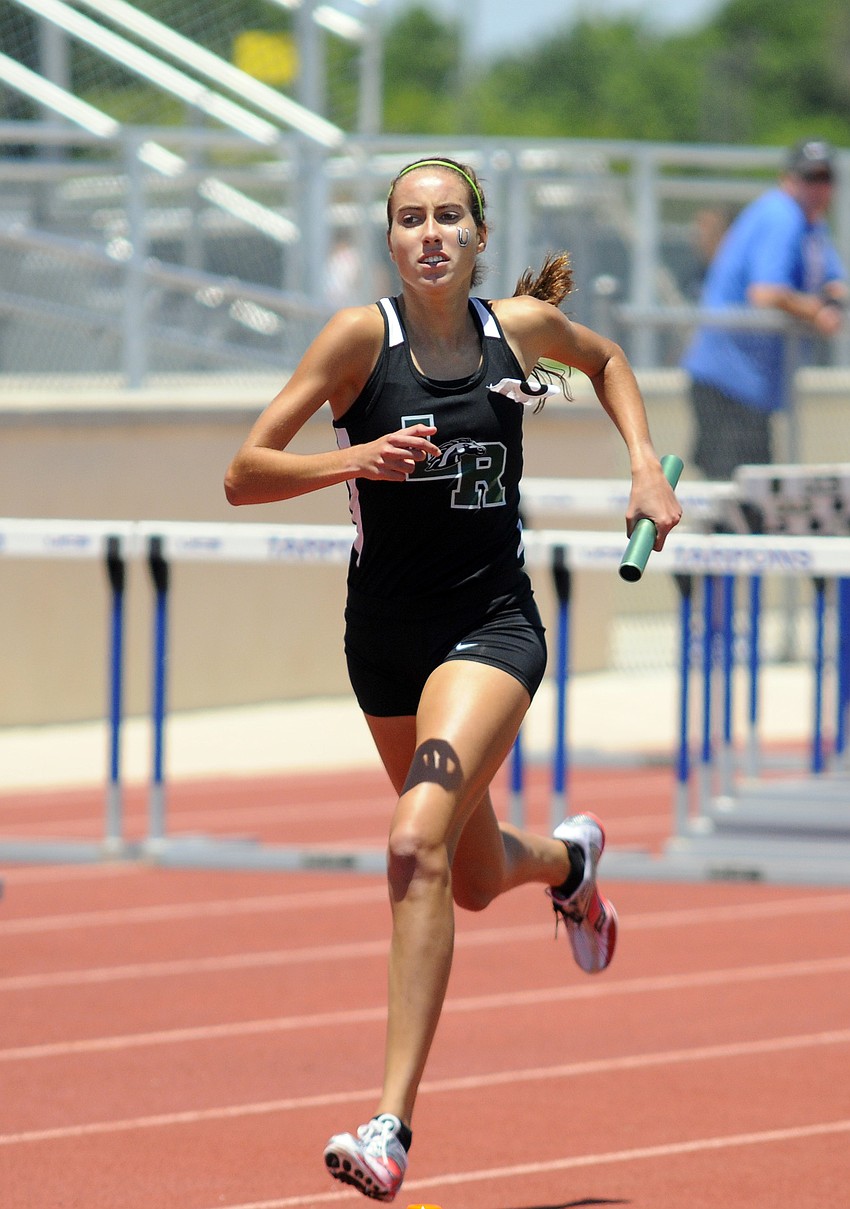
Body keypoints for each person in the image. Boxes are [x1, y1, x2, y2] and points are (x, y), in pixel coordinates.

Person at [225, 155, 681, 1203]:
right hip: (383, 642)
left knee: (410, 842)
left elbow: (607, 359)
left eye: (448, 218)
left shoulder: (516, 330)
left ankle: (389, 1127)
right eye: (409, 219)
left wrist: (644, 464)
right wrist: (353, 458)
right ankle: (566, 862)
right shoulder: (355, 340)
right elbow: (245, 471)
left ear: (477, 233)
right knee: (470, 877)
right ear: (389, 239)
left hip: (491, 629)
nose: (430, 234)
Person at [682, 138, 847, 488]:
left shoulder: (812, 226)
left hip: (753, 388)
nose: (818, 188)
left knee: (752, 496)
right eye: (810, 177)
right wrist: (817, 312)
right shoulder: (781, 215)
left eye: (825, 178)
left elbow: (835, 283)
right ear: (789, 177)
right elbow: (766, 293)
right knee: (736, 499)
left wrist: (833, 302)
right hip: (728, 383)